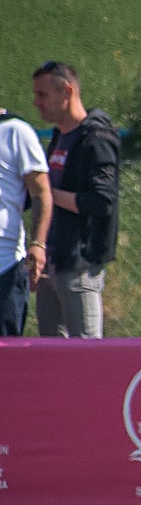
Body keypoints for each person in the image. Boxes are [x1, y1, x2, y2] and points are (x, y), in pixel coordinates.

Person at [30, 61, 120, 338]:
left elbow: (102, 201)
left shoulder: (96, 137)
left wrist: (47, 194)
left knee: (86, 351)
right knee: (51, 352)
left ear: (67, 92)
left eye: (43, 95)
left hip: (79, 266)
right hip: (52, 262)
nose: (36, 103)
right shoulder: (59, 136)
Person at [0, 108, 52, 336]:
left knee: (6, 353)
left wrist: (38, 244)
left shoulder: (15, 131)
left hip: (5, 264)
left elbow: (41, 194)